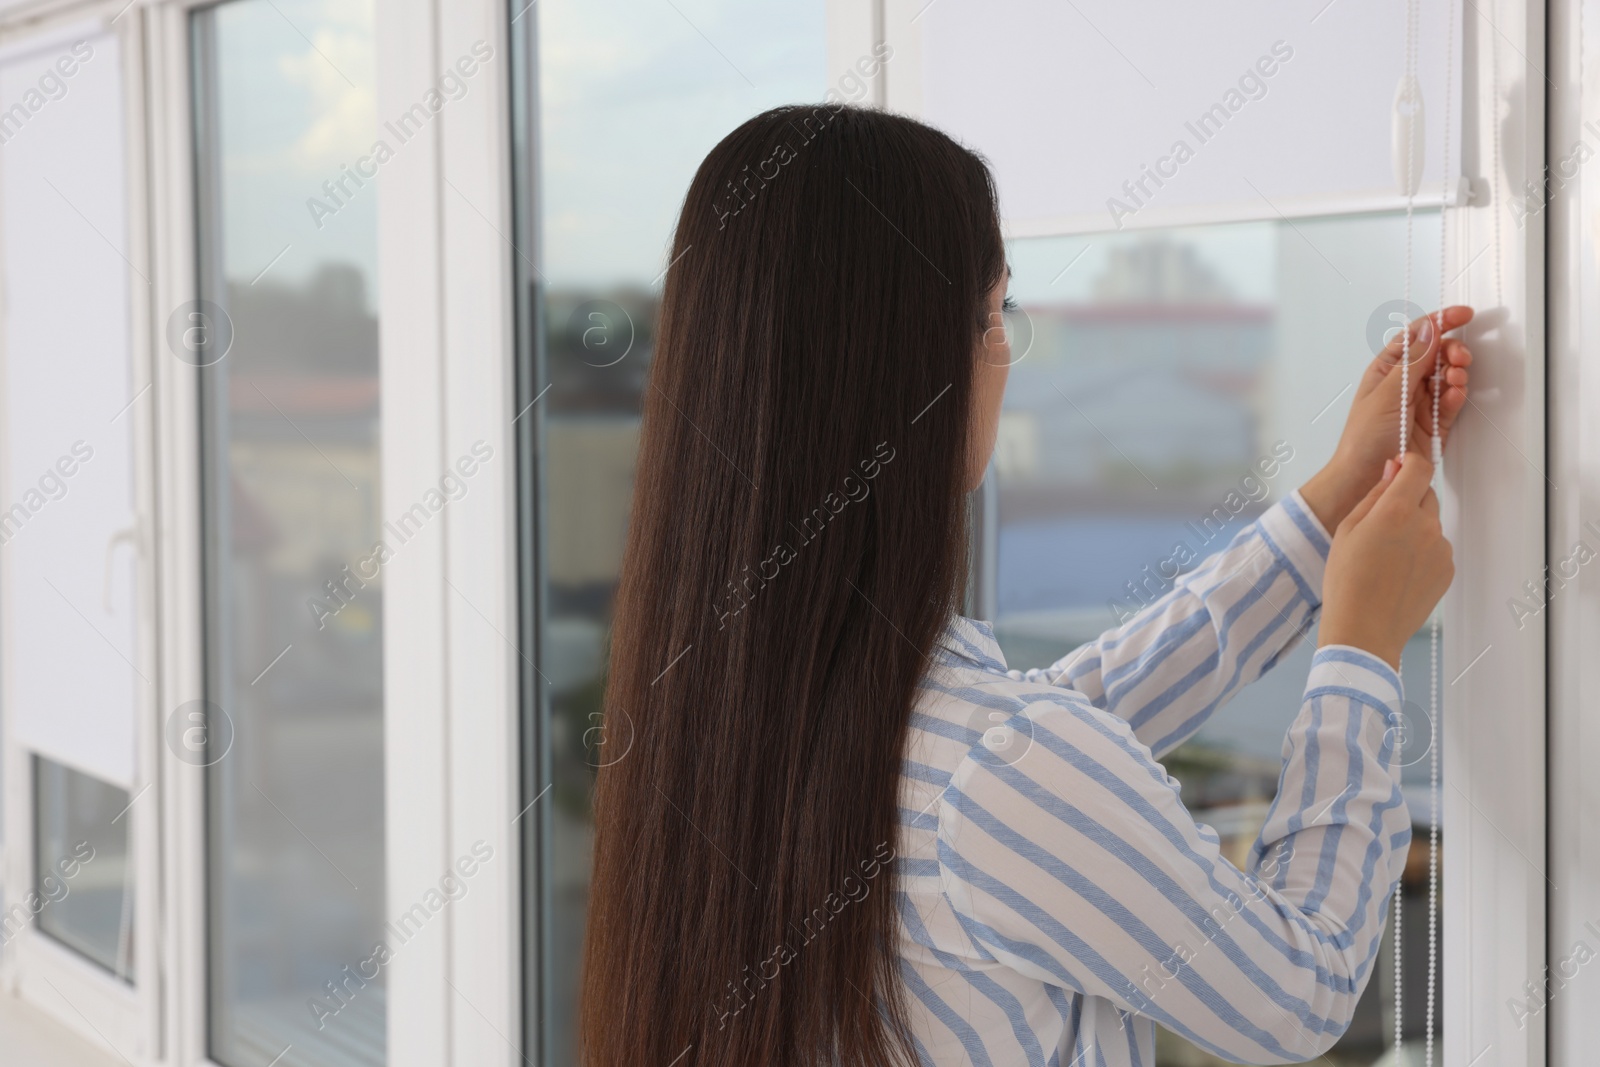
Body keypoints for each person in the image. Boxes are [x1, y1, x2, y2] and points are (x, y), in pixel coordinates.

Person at [579, 104, 1473, 1067]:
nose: (1005, 351)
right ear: (915, 367)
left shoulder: (719, 707)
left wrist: (1330, 508)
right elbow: (1297, 993)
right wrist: (1360, 652)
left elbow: (1066, 720)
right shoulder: (992, 769)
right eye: (996, 312)